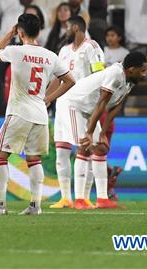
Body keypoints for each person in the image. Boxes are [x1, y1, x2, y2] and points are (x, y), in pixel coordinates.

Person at [0, 14, 74, 216]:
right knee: (34, 159)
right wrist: (49, 98)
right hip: (40, 113)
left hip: (19, 112)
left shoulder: (15, 51)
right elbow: (70, 80)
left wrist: (8, 34)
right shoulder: (50, 56)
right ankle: (35, 206)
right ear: (38, 32)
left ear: (20, 32)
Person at [54, 51, 147, 210]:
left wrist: (103, 133)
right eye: (143, 70)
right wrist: (89, 133)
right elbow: (102, 103)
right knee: (84, 146)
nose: (145, 74)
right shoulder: (115, 74)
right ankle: (79, 199)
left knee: (101, 148)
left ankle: (102, 199)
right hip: (72, 105)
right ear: (132, 69)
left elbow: (116, 107)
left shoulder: (130, 80)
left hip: (88, 110)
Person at [51, 15, 106, 209]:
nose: (65, 31)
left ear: (75, 28)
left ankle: (84, 196)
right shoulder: (64, 51)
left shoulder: (91, 47)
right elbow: (57, 78)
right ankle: (65, 197)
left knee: (85, 148)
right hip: (62, 104)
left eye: (67, 27)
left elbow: (99, 73)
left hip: (83, 106)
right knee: (61, 151)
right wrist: (47, 99)